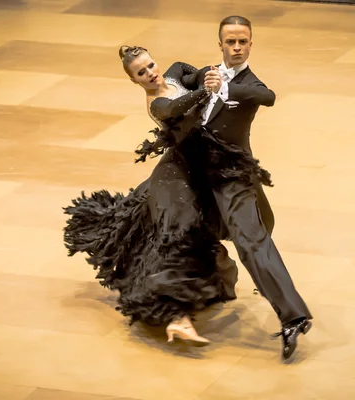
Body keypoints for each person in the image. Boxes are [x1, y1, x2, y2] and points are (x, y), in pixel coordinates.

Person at [63, 45, 269, 346]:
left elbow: (187, 67)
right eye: (141, 73)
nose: (150, 73)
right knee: (178, 235)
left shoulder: (173, 75)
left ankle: (188, 307)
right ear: (134, 80)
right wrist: (208, 89)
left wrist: (205, 76)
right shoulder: (156, 103)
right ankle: (176, 317)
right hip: (174, 176)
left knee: (201, 237)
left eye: (150, 65)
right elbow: (178, 107)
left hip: (196, 169)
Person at [178, 15, 314, 361]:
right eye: (230, 42)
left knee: (251, 242)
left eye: (243, 42)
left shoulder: (250, 85)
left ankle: (293, 317)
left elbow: (266, 96)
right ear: (220, 44)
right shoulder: (207, 73)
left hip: (232, 176)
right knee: (178, 230)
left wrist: (222, 89)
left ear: (250, 44)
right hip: (194, 175)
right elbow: (178, 73)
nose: (237, 47)